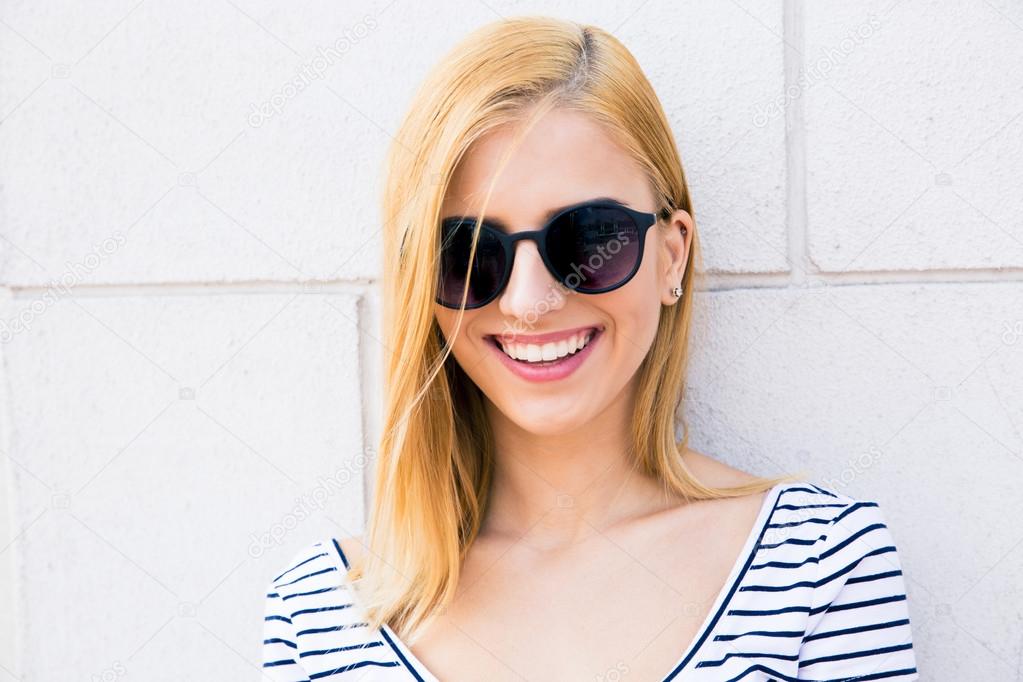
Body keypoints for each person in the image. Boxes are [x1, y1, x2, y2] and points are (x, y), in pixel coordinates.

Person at [263, 15, 919, 681]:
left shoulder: (813, 567)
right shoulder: (316, 615)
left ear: (672, 255)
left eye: (586, 237)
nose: (527, 300)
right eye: (467, 252)